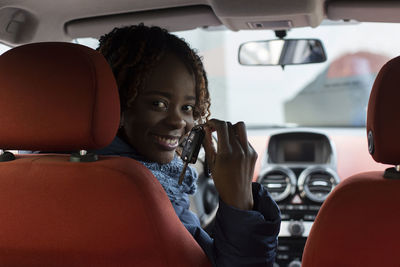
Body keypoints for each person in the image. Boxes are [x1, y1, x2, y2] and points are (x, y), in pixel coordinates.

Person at [96, 24, 281, 267]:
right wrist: (239, 200)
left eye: (187, 108)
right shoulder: (145, 194)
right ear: (117, 102)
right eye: (158, 104)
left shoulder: (40, 171)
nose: (178, 121)